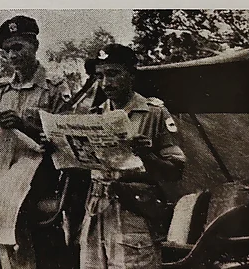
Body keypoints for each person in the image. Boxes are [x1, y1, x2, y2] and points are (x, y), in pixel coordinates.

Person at [73, 44, 186, 269]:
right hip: (96, 214)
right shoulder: (93, 116)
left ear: (131, 75)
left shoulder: (154, 113)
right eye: (100, 76)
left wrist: (147, 155)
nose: (106, 83)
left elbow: (176, 170)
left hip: (134, 214)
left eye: (113, 73)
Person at [0, 15, 70, 268]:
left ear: (34, 46)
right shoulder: (1, 90)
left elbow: (66, 141)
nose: (13, 56)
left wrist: (23, 125)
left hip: (40, 170)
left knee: (15, 212)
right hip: (3, 167)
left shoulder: (54, 89)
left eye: (18, 48)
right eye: (7, 51)